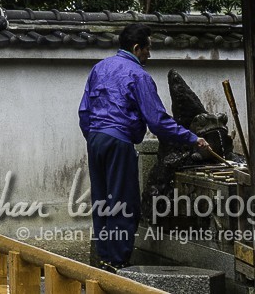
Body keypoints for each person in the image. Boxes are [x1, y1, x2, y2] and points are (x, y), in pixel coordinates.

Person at [79, 23, 209, 271]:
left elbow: (84, 110)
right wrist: (192, 138)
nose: (150, 54)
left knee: (102, 200)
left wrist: (95, 136)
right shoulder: (138, 75)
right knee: (123, 201)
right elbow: (157, 121)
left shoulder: (100, 68)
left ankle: (103, 257)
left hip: (95, 138)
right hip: (118, 139)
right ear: (137, 48)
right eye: (148, 48)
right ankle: (117, 262)